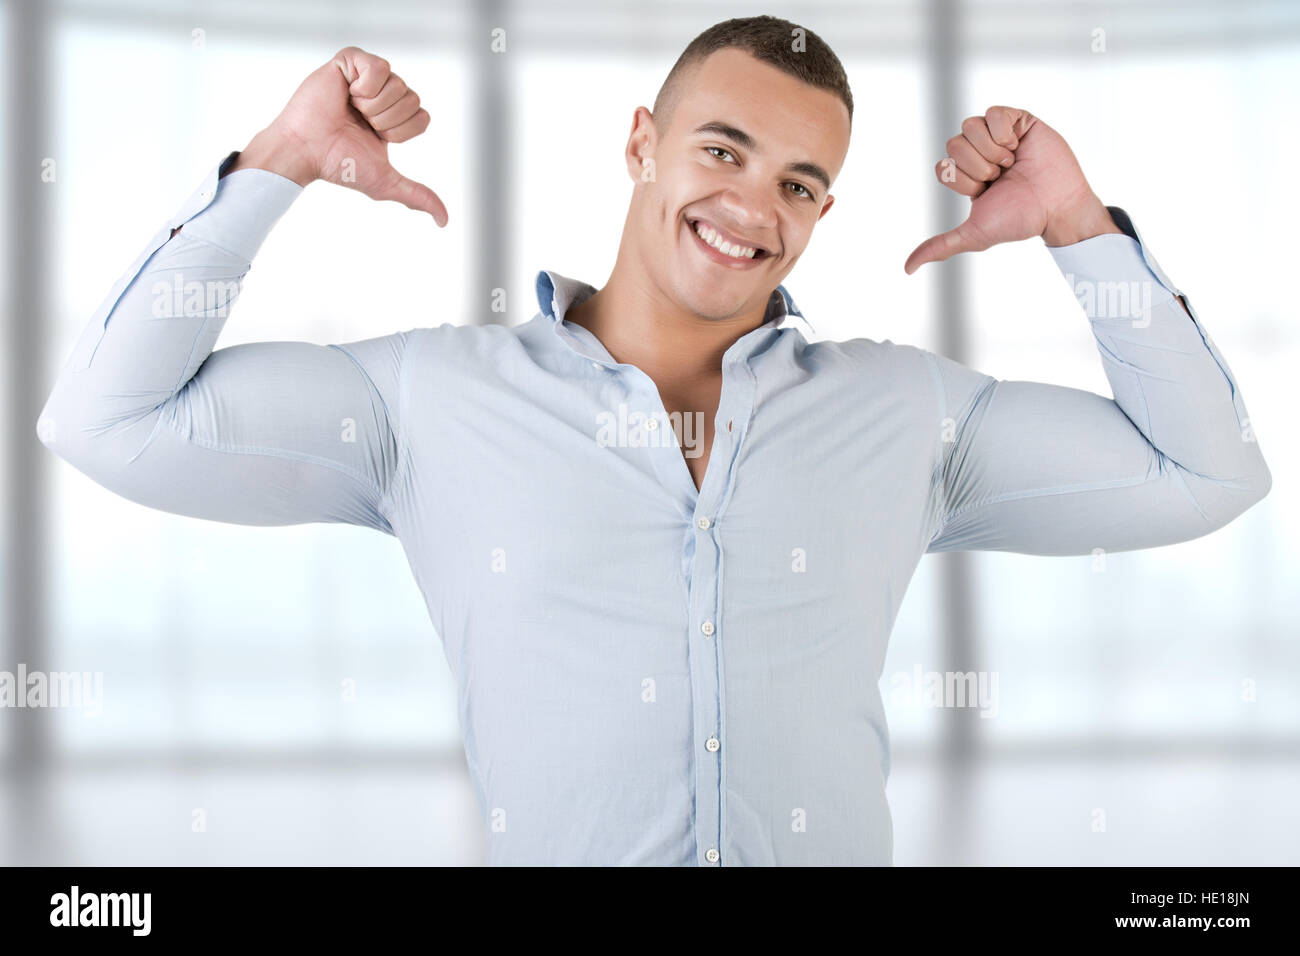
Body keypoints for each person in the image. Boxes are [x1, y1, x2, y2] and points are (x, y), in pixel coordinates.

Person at [36, 15, 1270, 865]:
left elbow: (1207, 470)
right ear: (641, 143)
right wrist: (281, 162)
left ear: (822, 211)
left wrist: (1076, 226)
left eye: (798, 182)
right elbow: (105, 419)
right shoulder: (428, 398)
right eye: (722, 149)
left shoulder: (906, 413)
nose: (752, 206)